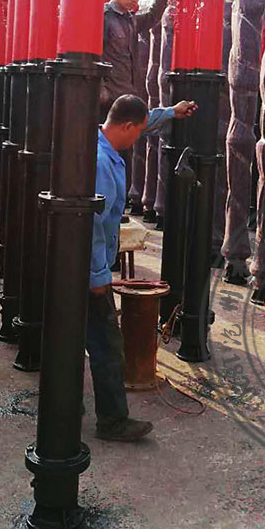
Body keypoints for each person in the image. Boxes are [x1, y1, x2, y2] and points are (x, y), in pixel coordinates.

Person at [89, 94, 196, 441]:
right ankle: (112, 422)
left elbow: (143, 122)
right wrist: (98, 276)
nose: (139, 138)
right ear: (125, 126)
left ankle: (70, 406)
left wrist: (172, 113)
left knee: (80, 338)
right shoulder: (101, 164)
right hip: (88, 271)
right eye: (137, 132)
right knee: (108, 347)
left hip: (84, 265)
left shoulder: (103, 138)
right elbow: (92, 225)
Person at [101, 0, 174, 119]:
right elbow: (94, 57)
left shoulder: (131, 20)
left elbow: (152, 17)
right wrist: (101, 90)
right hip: (109, 100)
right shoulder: (104, 18)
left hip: (129, 97)